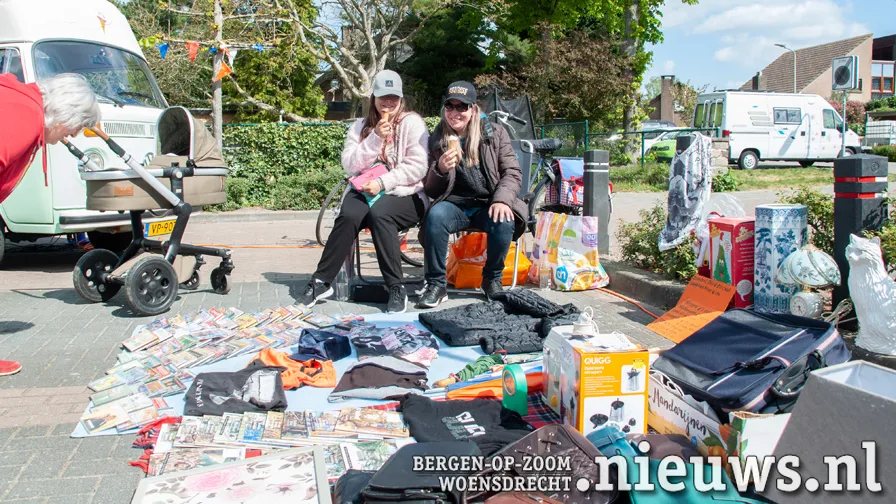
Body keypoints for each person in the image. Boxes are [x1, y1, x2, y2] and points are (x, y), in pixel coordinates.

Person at [299, 70, 429, 313]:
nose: (388, 103)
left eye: (394, 98)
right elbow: (350, 164)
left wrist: (383, 183)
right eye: (383, 97)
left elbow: (418, 167)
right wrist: (375, 138)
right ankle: (320, 282)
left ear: (401, 99)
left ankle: (395, 287)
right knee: (349, 214)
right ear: (373, 98)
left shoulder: (413, 123)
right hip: (364, 189)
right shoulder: (360, 126)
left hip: (404, 192)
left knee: (381, 214)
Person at [0, 72, 102, 377]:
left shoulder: (20, 104)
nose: (72, 136)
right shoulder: (26, 115)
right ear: (66, 115)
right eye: (77, 127)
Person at [416, 81, 528, 309]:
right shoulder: (437, 138)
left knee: (504, 218)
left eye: (462, 107)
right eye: (450, 106)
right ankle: (436, 284)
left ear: (473, 109)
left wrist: (502, 200)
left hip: (488, 202)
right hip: (455, 204)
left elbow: (512, 172)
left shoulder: (494, 133)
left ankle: (491, 280)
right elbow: (430, 189)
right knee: (435, 216)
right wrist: (440, 169)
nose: (455, 113)